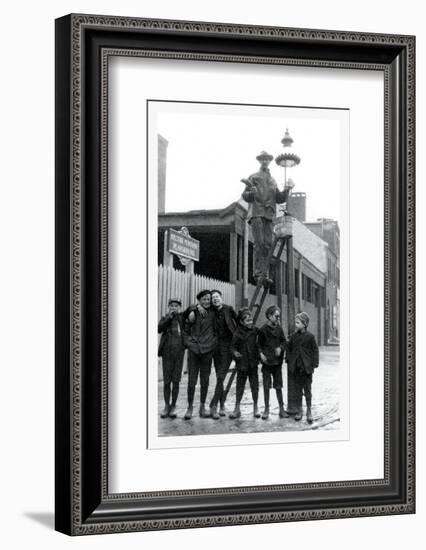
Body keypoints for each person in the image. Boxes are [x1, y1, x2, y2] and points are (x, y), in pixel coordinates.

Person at [241, 151, 289, 285]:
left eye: (267, 159)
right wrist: (252, 193)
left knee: (268, 245)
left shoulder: (273, 181)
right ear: (259, 161)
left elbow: (280, 198)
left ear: (269, 161)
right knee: (260, 243)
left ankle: (264, 273)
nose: (265, 161)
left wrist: (287, 189)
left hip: (269, 215)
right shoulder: (254, 177)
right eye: (262, 159)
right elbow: (245, 195)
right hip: (257, 213)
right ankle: (258, 273)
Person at [183, 289, 217, 420]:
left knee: (205, 380)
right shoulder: (193, 312)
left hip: (207, 350)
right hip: (194, 351)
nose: (207, 301)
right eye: (204, 299)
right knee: (192, 380)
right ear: (199, 300)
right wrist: (189, 344)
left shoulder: (214, 312)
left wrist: (213, 343)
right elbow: (185, 330)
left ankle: (202, 407)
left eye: (208, 299)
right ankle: (190, 407)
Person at [286, 312, 319, 423]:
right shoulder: (293, 337)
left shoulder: (310, 337)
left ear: (304, 324)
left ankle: (309, 410)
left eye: (298, 323)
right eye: (295, 322)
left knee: (307, 389)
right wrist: (289, 361)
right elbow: (289, 349)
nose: (296, 325)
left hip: (306, 368)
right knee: (298, 390)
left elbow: (315, 351)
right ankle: (300, 410)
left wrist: (314, 363)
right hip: (296, 368)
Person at [209, 289, 237, 419]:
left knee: (221, 376)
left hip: (227, 347)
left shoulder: (228, 309)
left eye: (217, 297)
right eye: (213, 297)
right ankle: (221, 404)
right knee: (219, 375)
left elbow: (239, 320)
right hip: (215, 348)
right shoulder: (210, 311)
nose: (215, 299)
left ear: (221, 298)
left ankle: (214, 405)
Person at [257, 305, 288, 420]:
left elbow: (284, 341)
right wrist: (261, 354)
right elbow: (258, 345)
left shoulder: (279, 328)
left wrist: (280, 347)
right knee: (266, 386)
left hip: (277, 363)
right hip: (267, 363)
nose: (278, 319)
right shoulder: (263, 330)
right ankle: (266, 409)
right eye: (276, 316)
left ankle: (281, 409)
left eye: (279, 317)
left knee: (278, 386)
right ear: (269, 316)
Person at [229, 308, 260, 419]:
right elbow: (232, 347)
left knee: (254, 386)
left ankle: (256, 407)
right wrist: (235, 353)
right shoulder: (237, 333)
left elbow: (263, 338)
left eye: (251, 320)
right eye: (247, 321)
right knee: (240, 386)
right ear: (241, 322)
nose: (250, 322)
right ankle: (237, 408)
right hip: (242, 364)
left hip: (253, 363)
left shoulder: (255, 330)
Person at [157, 298, 186, 418]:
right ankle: (166, 406)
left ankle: (173, 406)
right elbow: (159, 329)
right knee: (167, 381)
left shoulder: (182, 318)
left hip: (179, 353)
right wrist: (169, 317)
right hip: (167, 353)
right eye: (171, 306)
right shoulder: (165, 318)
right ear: (168, 307)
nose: (173, 308)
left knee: (176, 380)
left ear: (179, 308)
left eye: (176, 306)